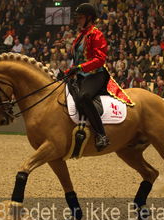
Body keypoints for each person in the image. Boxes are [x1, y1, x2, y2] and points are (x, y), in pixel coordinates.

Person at [64, 3, 110, 151]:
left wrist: (80, 68)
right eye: (77, 17)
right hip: (81, 76)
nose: (78, 20)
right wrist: (70, 71)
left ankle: (101, 134)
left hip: (96, 75)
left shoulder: (97, 34)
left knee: (84, 97)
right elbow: (78, 60)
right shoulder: (81, 36)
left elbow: (100, 59)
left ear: (89, 18)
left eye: (81, 17)